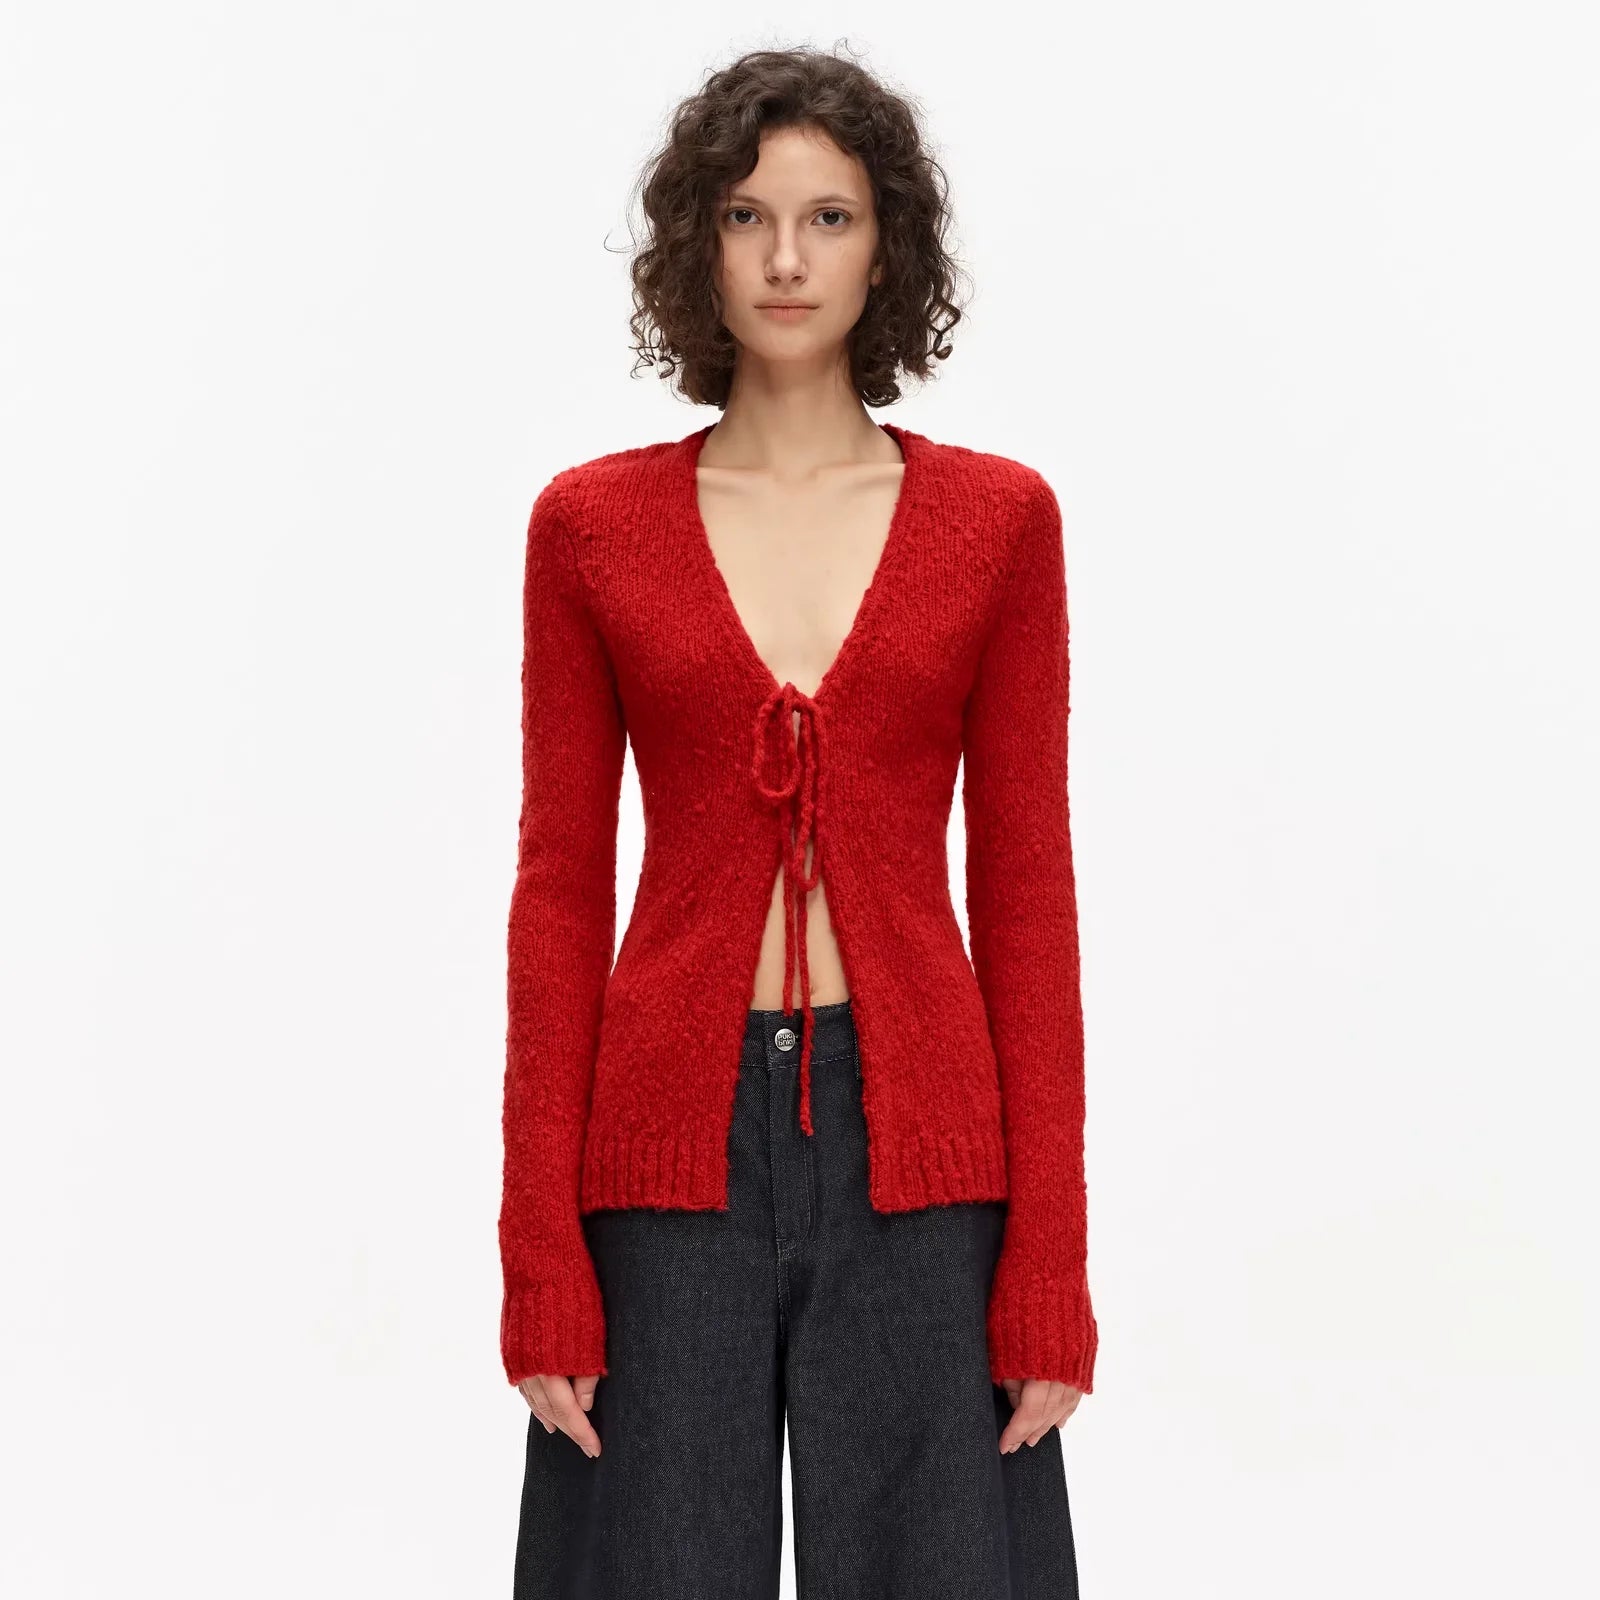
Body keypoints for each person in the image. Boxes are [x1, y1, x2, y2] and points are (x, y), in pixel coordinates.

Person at [500, 44, 1097, 1600]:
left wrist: (1048, 1259)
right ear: (697, 243)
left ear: (886, 246)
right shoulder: (590, 530)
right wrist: (540, 1253)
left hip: (924, 1161)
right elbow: (559, 892)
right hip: (665, 1161)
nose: (786, 258)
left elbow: (1027, 894)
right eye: (747, 216)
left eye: (829, 218)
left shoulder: (998, 526)